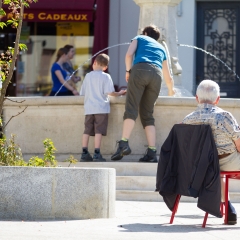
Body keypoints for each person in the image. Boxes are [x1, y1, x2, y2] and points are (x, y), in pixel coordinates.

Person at [111, 24, 175, 162]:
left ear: (145, 33)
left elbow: (128, 55)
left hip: (140, 69)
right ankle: (152, 152)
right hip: (157, 75)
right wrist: (171, 91)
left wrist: (128, 71)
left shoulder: (140, 37)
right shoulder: (162, 48)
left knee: (131, 107)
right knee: (147, 114)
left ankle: (124, 143)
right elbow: (169, 77)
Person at [182, 79, 240, 224]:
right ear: (218, 99)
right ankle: (228, 207)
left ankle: (228, 206)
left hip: (202, 167)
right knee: (219, 164)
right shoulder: (224, 117)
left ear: (197, 98)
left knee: (214, 166)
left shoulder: (187, 120)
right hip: (229, 162)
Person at [80, 53, 126, 162]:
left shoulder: (88, 76)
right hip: (101, 108)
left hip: (89, 108)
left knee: (86, 130)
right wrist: (119, 93)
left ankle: (84, 153)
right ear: (105, 67)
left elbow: (82, 92)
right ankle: (96, 153)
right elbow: (109, 92)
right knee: (98, 131)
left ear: (94, 63)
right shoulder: (106, 76)